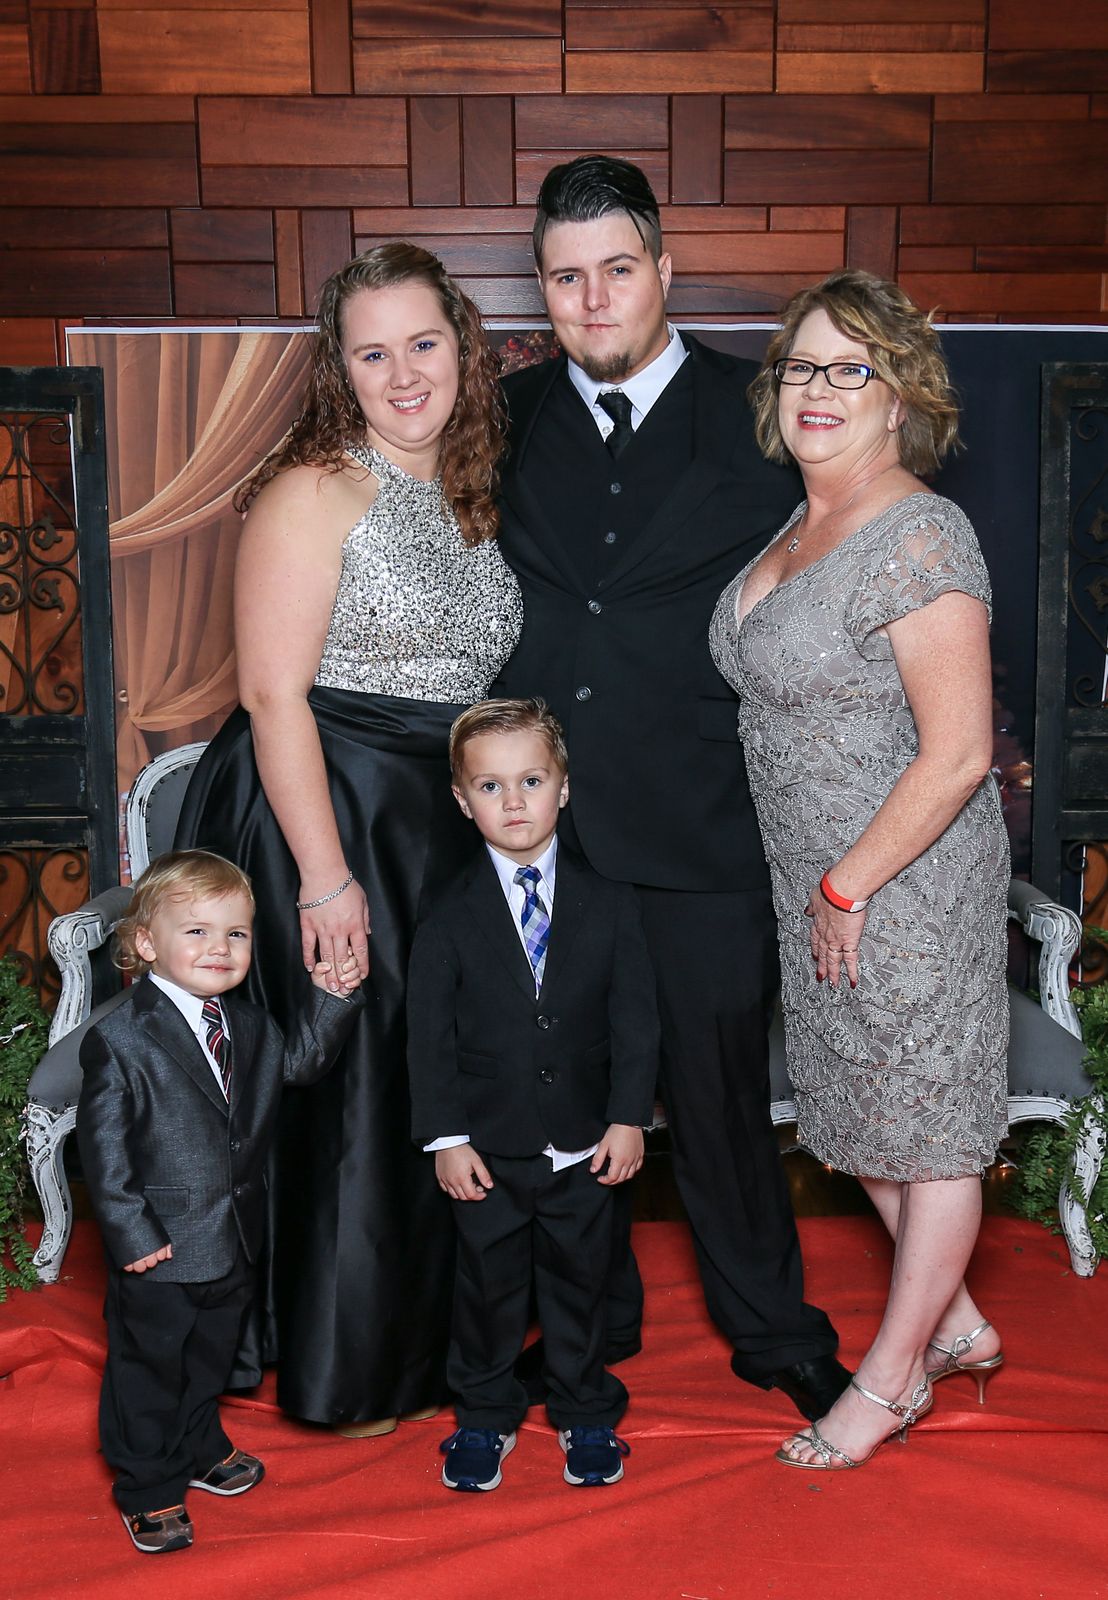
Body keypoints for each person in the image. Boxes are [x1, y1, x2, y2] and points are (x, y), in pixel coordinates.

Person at [493, 155, 846, 1421]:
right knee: (564, 1094)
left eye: (617, 269)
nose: (593, 300)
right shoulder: (501, 414)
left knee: (717, 1097)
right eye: (565, 277)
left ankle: (773, 1330)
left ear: (664, 269)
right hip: (547, 828)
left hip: (706, 820)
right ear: (541, 288)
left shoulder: (761, 411)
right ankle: (589, 1323)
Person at [174, 243, 524, 1433]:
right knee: (358, 1083)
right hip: (324, 811)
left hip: (435, 821)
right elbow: (273, 695)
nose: (403, 372)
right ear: (341, 370)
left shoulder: (472, 487)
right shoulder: (312, 489)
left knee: (430, 1074)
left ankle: (432, 1343)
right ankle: (350, 1368)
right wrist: (325, 882)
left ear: (462, 346)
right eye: (373, 353)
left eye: (423, 342)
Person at [709, 268, 1009, 1470]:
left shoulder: (922, 533)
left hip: (904, 878)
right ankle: (960, 1321)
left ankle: (889, 1380)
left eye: (852, 368)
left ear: (900, 396)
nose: (818, 389)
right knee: (862, 1111)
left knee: (928, 1128)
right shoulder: (799, 522)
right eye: (801, 366)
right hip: (816, 880)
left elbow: (961, 753)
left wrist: (849, 883)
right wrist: (820, 887)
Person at [75, 851, 362, 1554]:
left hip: (233, 1234)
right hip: (159, 1248)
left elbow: (299, 1065)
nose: (220, 948)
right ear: (146, 944)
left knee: (209, 1356)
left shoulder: (250, 1025)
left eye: (236, 933)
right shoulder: (120, 1039)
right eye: (197, 932)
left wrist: (332, 998)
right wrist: (132, 1233)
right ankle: (147, 1483)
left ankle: (200, 1443)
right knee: (149, 1369)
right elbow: (103, 1151)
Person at [407, 699, 659, 1492]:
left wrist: (628, 1117)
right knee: (486, 1291)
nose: (513, 802)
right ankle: (484, 1416)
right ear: (461, 800)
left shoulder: (611, 901)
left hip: (585, 1143)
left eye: (531, 780)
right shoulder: (445, 909)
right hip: (487, 1147)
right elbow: (427, 1036)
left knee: (582, 1287)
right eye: (490, 786)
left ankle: (586, 1411)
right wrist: (447, 1138)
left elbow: (636, 1021)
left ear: (564, 787)